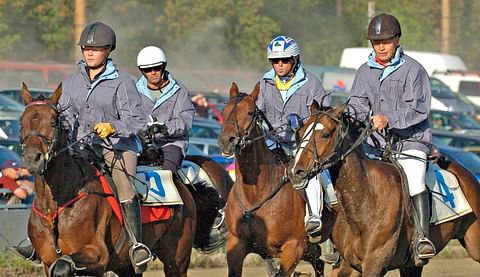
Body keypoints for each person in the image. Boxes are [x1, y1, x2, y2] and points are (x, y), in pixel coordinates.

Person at [11, 21, 151, 273]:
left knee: (123, 184)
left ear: (108, 50)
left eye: (95, 49)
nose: (89, 52)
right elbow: (62, 116)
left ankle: (136, 244)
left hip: (117, 147)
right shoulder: (73, 81)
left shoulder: (123, 82)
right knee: (50, 177)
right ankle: (38, 241)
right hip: (82, 147)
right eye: (86, 48)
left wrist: (113, 127)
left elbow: (138, 119)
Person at [348, 13, 436, 262]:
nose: (381, 46)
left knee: (416, 180)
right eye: (376, 42)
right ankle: (343, 241)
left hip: (411, 141)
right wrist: (350, 117)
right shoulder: (364, 72)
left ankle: (421, 239)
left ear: (397, 40)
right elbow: (357, 104)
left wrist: (389, 119)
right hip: (375, 145)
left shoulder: (413, 70)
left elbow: (420, 109)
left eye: (386, 41)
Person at [256, 35, 330, 242]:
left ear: (295, 59)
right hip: (273, 144)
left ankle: (314, 217)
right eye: (275, 61)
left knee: (312, 175)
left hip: (302, 146)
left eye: (285, 60)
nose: (279, 65)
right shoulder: (265, 81)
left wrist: (305, 122)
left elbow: (324, 116)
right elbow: (257, 109)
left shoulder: (312, 83)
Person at [136, 46, 195, 176]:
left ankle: (177, 194)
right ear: (142, 71)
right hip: (142, 145)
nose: (153, 72)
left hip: (172, 143)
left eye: (156, 68)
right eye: (147, 69)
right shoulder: (133, 92)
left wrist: (164, 128)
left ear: (163, 67)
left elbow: (186, 120)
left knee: (168, 175)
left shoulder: (180, 91)